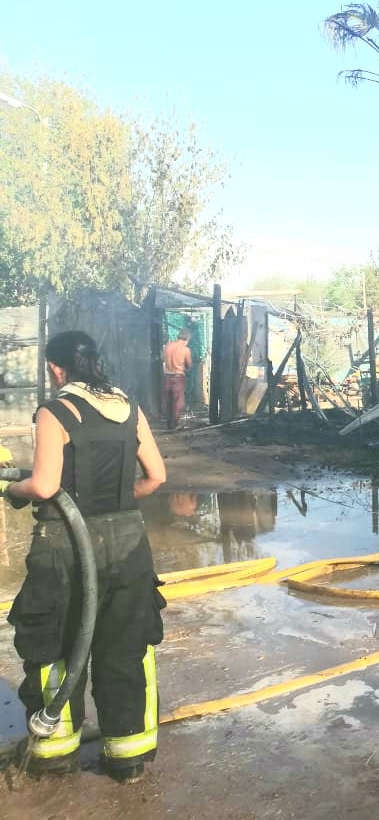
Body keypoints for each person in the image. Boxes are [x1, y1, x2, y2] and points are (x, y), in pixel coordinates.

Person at [2, 331, 167, 783]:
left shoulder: (55, 411)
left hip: (64, 544)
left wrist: (8, 487)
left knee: (55, 643)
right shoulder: (130, 408)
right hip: (130, 544)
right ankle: (130, 758)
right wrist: (115, 505)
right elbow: (156, 476)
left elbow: (44, 486)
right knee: (126, 646)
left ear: (57, 368)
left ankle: (54, 754)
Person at [161, 328, 193, 430]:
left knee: (168, 401)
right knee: (177, 402)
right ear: (187, 339)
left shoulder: (167, 346)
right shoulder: (185, 349)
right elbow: (189, 365)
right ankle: (174, 425)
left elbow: (163, 359)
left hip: (166, 376)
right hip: (178, 377)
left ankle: (168, 423)